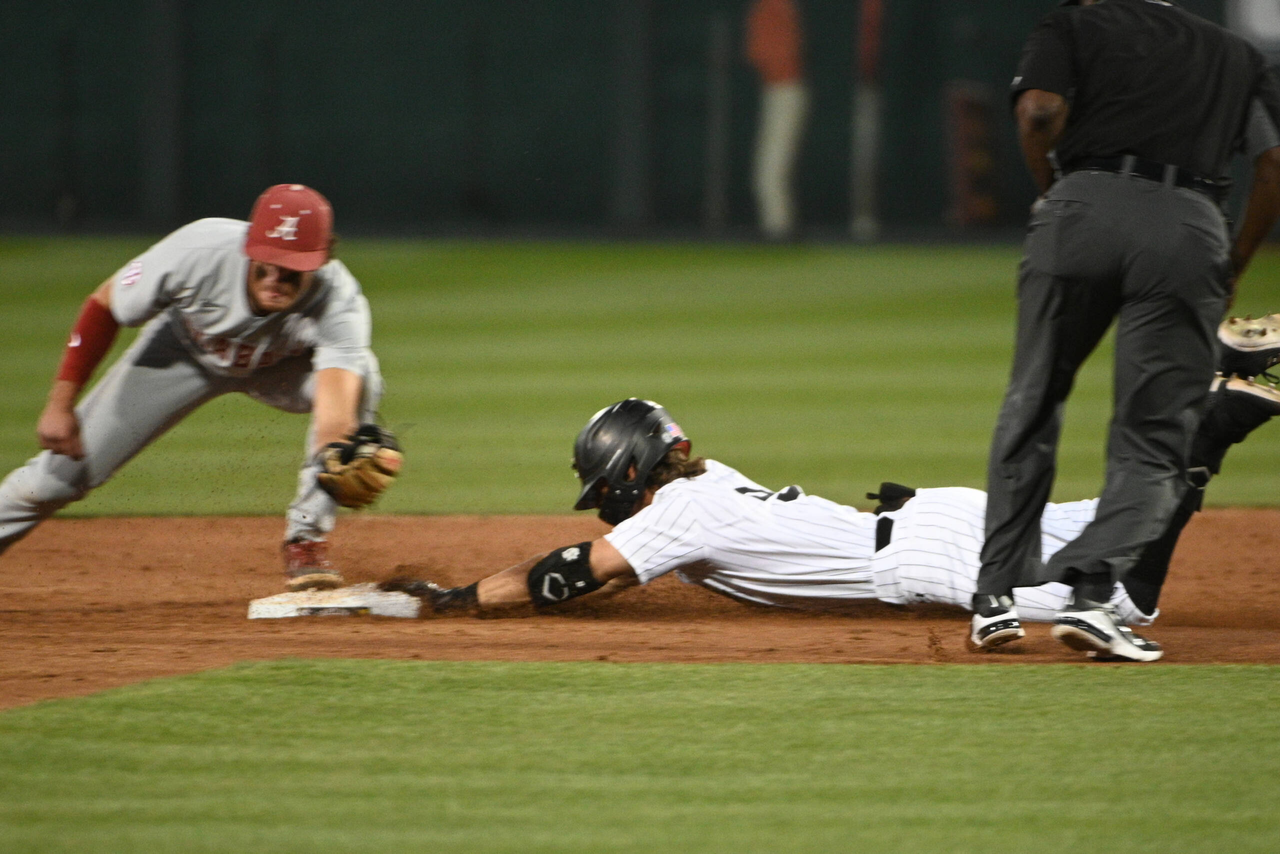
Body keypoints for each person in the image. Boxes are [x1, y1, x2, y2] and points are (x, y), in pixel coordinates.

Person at [385, 373, 1278, 660]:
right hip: (942, 511)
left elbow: (570, 576)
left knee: (1118, 605)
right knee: (1116, 517)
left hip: (926, 559)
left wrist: (458, 598)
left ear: (625, 472)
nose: (605, 502)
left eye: (604, 485)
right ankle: (1215, 413)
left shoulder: (679, 513)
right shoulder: (710, 484)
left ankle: (1211, 424)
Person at [972, 0, 1280, 661]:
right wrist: (1236, 261)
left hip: (1080, 209)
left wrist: (1054, 189)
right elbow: (1274, 162)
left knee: (1033, 400)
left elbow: (1039, 114)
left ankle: (994, 601)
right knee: (1155, 429)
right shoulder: (1234, 53)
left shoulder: (1074, 25)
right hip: (1187, 226)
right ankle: (1091, 596)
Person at [0, 184, 400, 592]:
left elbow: (335, 409)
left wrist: (336, 460)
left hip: (280, 370)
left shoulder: (339, 300)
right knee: (56, 479)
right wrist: (60, 403)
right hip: (182, 353)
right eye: (269, 260)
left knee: (363, 374)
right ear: (249, 244)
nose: (277, 276)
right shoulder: (198, 250)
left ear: (322, 260)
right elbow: (105, 305)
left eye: (293, 265)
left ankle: (306, 538)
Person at [745, 0, 808, 240]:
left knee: (769, 175)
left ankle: (780, 238)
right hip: (776, 91)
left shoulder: (777, 6)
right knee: (766, 175)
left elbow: (775, 54)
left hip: (786, 91)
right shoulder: (768, 6)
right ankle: (777, 234)